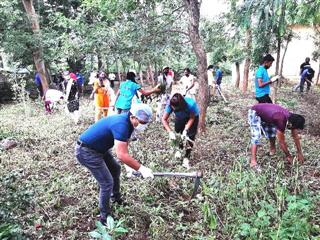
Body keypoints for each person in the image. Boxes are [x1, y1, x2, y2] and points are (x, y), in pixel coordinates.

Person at [75, 103, 154, 225]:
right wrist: (141, 169)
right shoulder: (121, 124)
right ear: (133, 117)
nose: (143, 126)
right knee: (107, 182)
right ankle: (104, 217)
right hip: (86, 151)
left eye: (145, 123)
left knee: (115, 169)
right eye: (142, 122)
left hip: (99, 149)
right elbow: (121, 155)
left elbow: (124, 145)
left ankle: (116, 198)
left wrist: (129, 167)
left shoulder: (128, 123)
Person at [248, 103, 305, 170]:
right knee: (256, 136)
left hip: (269, 114)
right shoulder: (281, 120)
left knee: (271, 132)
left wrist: (300, 152)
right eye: (295, 128)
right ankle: (253, 161)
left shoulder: (292, 118)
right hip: (255, 112)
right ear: (291, 125)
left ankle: (272, 149)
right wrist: (288, 156)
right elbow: (281, 142)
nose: (295, 130)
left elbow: (295, 136)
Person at [162, 93, 199, 169]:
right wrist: (170, 132)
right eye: (173, 108)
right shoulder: (170, 104)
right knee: (178, 133)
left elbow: (192, 118)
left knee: (190, 137)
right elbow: (164, 119)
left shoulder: (191, 104)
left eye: (176, 108)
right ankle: (179, 150)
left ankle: (186, 158)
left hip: (192, 117)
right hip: (180, 117)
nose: (174, 109)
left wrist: (186, 129)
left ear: (181, 106)